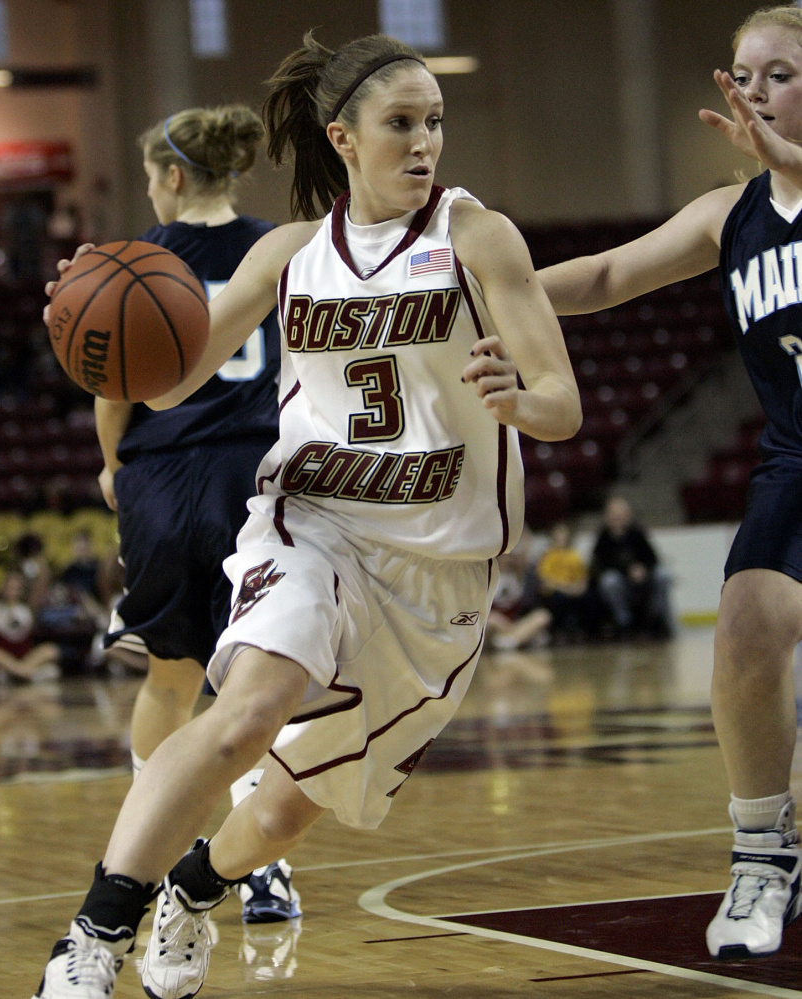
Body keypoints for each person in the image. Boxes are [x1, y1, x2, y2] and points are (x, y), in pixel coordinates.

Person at [33, 30, 581, 999]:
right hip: (312, 522)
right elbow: (169, 385)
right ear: (342, 137)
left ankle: (195, 890)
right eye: (400, 124)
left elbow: (560, 405)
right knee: (242, 715)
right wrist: (91, 327)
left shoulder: (477, 237)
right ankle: (93, 932)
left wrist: (514, 398)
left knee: (284, 816)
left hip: (438, 571)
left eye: (435, 123)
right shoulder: (290, 256)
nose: (424, 143)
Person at [538, 4, 802, 958]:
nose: (753, 90)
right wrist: (476, 285)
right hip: (797, 455)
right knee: (746, 625)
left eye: (778, 72)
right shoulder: (729, 214)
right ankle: (762, 854)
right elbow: (608, 275)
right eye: (743, 72)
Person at [94, 105, 301, 925]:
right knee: (252, 687)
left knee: (169, 675)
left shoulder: (140, 257)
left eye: (150, 179)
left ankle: (140, 851)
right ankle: (262, 868)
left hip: (163, 473)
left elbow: (110, 385)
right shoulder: (278, 247)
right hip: (251, 471)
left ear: (173, 177)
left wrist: (113, 466)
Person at [590, 495, 672, 639]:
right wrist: (627, 571)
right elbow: (598, 566)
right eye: (614, 515)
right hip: (620, 584)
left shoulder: (637, 533)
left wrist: (642, 569)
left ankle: (657, 619)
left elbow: (652, 558)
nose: (618, 519)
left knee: (663, 575)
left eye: (621, 515)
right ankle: (624, 623)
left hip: (643, 581)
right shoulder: (603, 538)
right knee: (610, 581)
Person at [0, 569, 60, 683]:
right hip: (4, 658)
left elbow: (41, 585)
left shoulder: (26, 610)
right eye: (10, 588)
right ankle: (25, 673)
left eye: (16, 589)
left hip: (25, 658)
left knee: (50, 650)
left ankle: (18, 672)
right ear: (3, 588)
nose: (13, 592)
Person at [536, 520, 594, 642]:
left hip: (572, 589)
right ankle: (558, 630)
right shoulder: (549, 556)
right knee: (558, 599)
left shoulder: (574, 556)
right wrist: (566, 588)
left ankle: (584, 629)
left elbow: (582, 577)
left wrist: (578, 588)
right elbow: (546, 580)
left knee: (588, 598)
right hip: (556, 591)